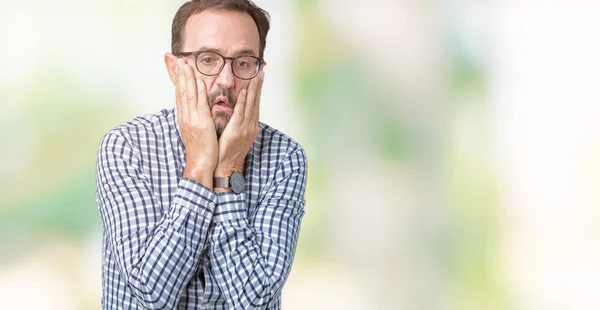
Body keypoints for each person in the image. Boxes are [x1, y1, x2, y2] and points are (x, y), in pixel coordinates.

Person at [95, 0, 307, 309]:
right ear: (174, 68)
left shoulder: (285, 157)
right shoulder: (126, 147)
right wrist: (199, 164)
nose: (226, 80)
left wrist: (228, 169)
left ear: (259, 72)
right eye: (208, 60)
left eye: (244, 62)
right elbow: (150, 294)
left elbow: (256, 301)